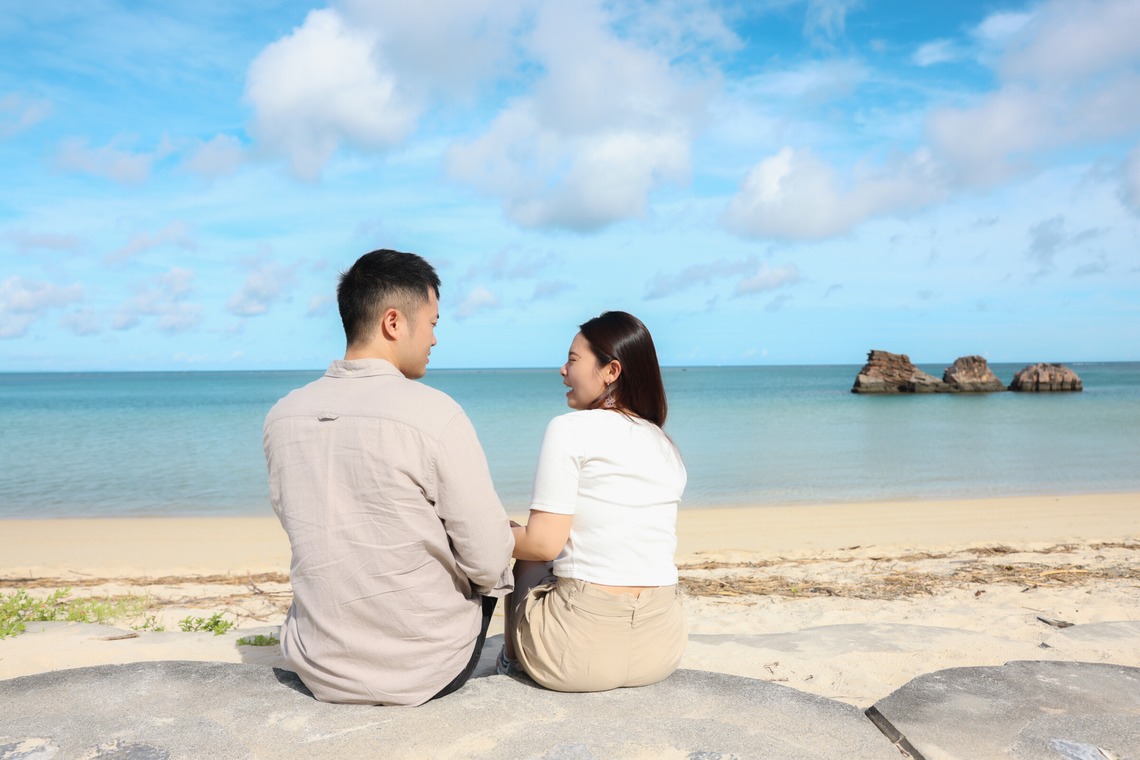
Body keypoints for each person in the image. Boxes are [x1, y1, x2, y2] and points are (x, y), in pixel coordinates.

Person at [263, 249, 514, 706]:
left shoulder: (282, 415)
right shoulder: (434, 412)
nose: (436, 339)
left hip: (319, 664)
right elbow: (489, 559)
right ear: (394, 323)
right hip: (425, 670)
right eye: (434, 323)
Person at [500, 311, 687, 692]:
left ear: (611, 371)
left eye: (572, 360)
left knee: (530, 551)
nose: (563, 371)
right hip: (661, 649)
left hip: (578, 657)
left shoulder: (569, 429)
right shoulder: (664, 444)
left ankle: (511, 660)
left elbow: (543, 544)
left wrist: (492, 527)